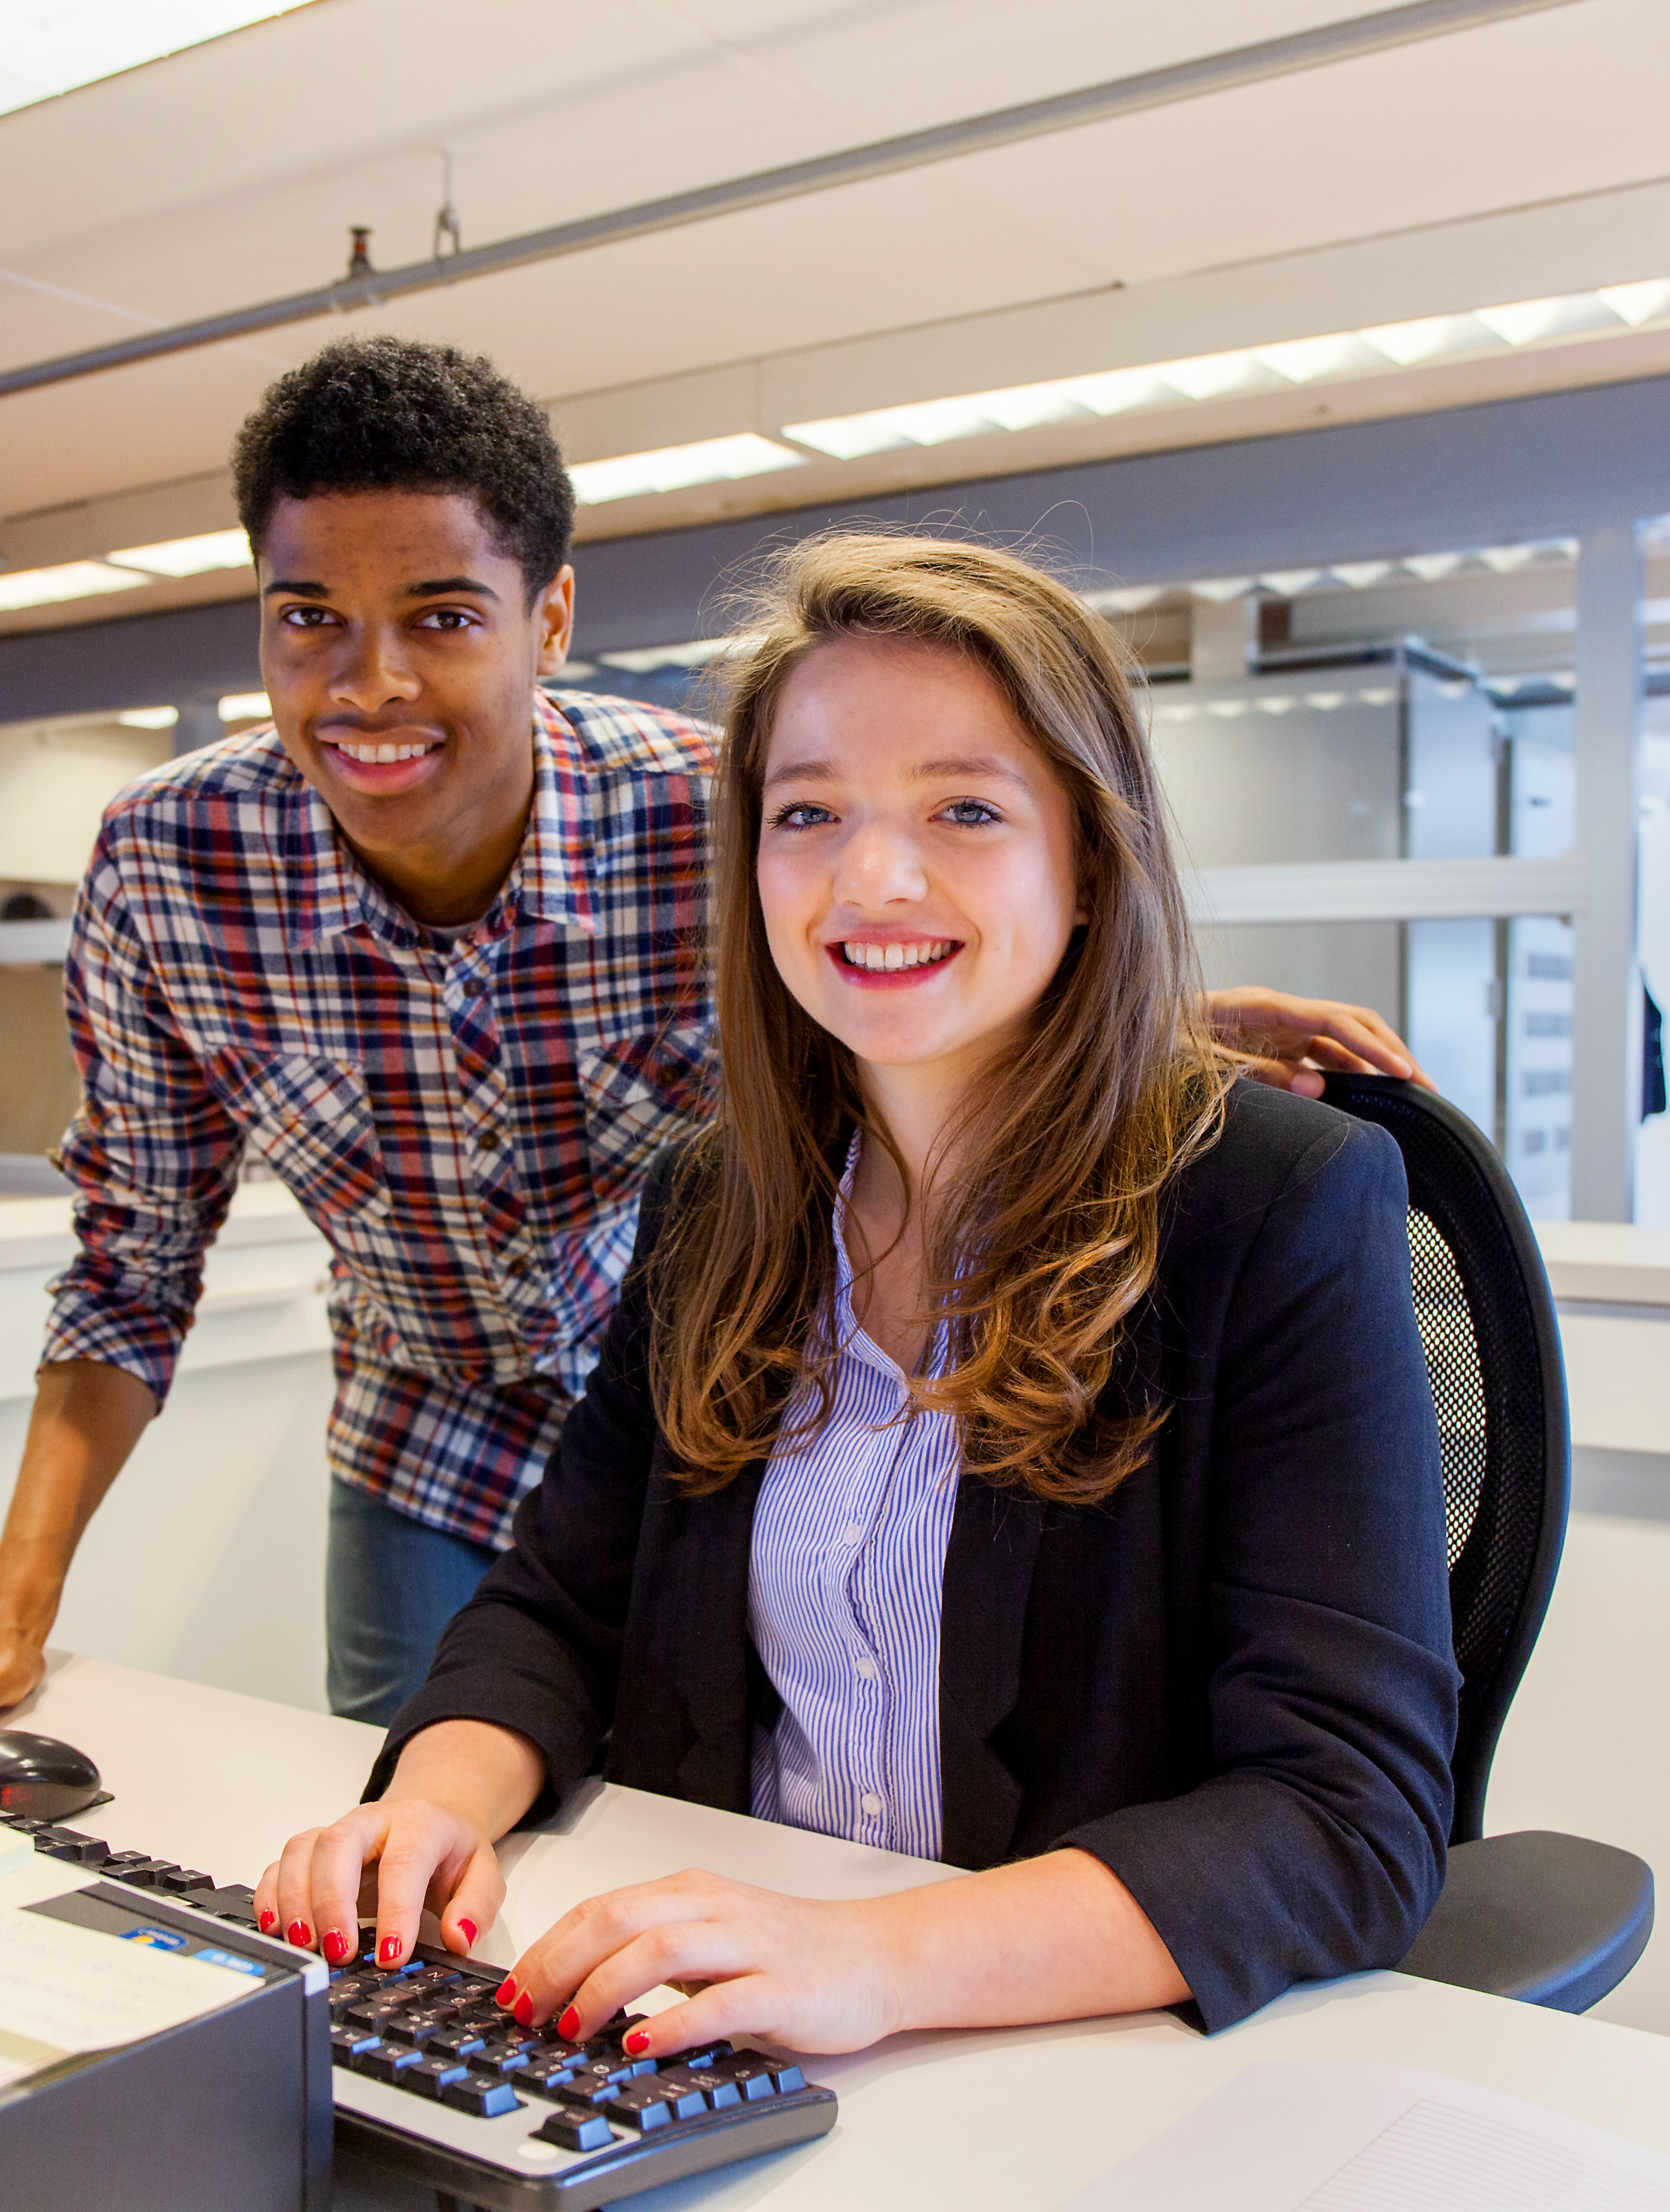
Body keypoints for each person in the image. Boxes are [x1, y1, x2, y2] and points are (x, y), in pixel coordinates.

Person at [0, 336, 1428, 1735]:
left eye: (440, 616)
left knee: (728, 1816)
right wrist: (16, 1594)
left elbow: (901, 990)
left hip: (722, 1435)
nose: (370, 685)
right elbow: (129, 1262)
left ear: (547, 615)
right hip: (421, 1443)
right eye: (310, 621)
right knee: (417, 1837)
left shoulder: (724, 816)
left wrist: (1133, 1019)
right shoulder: (173, 864)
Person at [252, 532, 1457, 2052]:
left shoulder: (1271, 1207)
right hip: (719, 2024)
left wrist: (873, 1958)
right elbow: (559, 1602)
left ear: (1086, 857)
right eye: (807, 810)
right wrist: (430, 1808)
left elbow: (1344, 1807)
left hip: (1053, 2056)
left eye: (964, 807)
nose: (870, 874)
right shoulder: (720, 1200)